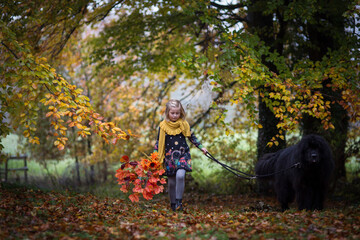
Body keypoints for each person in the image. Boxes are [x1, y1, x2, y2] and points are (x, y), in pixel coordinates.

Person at [154, 99, 207, 211]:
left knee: (180, 176)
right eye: (172, 113)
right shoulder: (163, 126)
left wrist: (202, 147)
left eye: (177, 113)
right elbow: (159, 143)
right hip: (169, 158)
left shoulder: (184, 124)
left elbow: (192, 137)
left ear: (180, 112)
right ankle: (173, 205)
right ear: (167, 112)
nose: (175, 115)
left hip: (183, 155)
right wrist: (154, 157)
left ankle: (179, 202)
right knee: (172, 182)